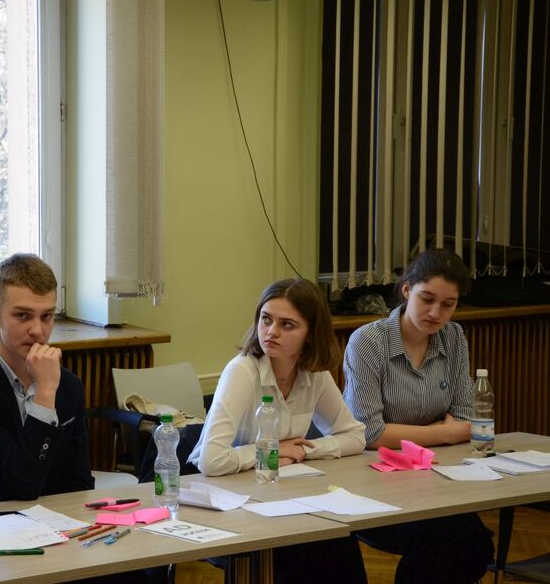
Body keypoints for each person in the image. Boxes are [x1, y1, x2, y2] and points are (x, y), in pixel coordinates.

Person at [188, 278, 368, 584]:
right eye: (266, 319)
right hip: (224, 497)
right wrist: (269, 452)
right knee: (299, 553)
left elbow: (355, 436)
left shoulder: (315, 375)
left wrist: (302, 451)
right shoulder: (242, 371)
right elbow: (211, 461)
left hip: (278, 492)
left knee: (339, 541)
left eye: (287, 325)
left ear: (311, 335)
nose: (271, 331)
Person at [343, 248, 494, 583]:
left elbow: (465, 416)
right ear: (407, 290)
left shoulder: (453, 337)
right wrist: (444, 433)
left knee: (476, 547)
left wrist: (439, 432)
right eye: (427, 299)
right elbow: (369, 434)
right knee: (443, 544)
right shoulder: (367, 342)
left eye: (448, 304)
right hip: (376, 484)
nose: (436, 312)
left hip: (437, 479)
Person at [0, 253, 94, 508]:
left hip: (56, 529)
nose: (38, 331)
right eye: (23, 316)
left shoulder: (68, 385)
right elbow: (18, 484)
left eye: (46, 316)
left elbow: (79, 482)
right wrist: (44, 394)